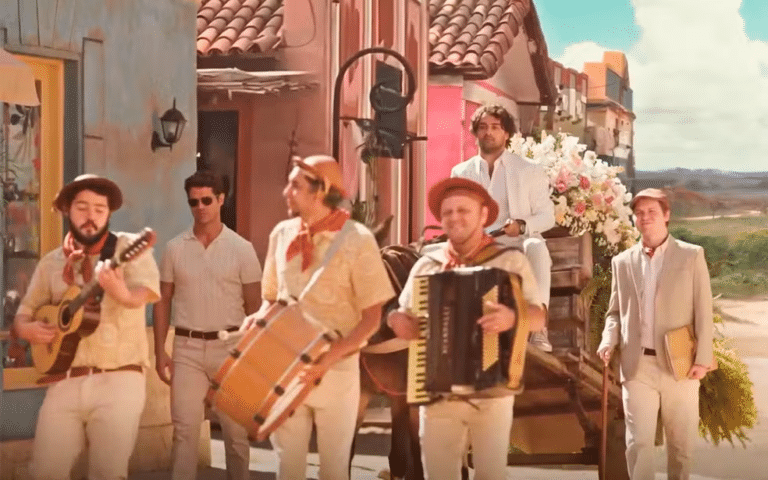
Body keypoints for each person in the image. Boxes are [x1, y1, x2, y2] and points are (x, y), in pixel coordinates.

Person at [388, 177, 546, 480]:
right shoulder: (427, 266)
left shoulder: (509, 261)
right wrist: (397, 321)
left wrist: (513, 318)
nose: (454, 218)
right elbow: (401, 314)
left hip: (492, 391)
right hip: (437, 392)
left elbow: (539, 316)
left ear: (483, 215)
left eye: (464, 210)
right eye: (447, 212)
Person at [249, 155, 394, 480]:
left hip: (337, 372)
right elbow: (271, 299)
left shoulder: (357, 239)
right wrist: (256, 319)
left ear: (320, 191)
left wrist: (331, 356)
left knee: (333, 470)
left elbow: (373, 317)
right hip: (286, 367)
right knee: (288, 468)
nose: (286, 191)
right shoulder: (281, 234)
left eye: (295, 185)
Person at [14, 174, 161, 480]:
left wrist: (121, 293)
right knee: (44, 471)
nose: (91, 216)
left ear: (108, 213)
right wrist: (27, 330)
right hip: (64, 380)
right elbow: (24, 313)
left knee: (108, 473)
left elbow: (146, 293)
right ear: (68, 210)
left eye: (99, 208)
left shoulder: (129, 248)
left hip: (118, 379)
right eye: (82, 207)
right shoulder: (52, 262)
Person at [597, 188, 714, 480]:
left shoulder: (691, 255)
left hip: (681, 365)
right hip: (638, 366)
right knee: (639, 444)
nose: (645, 218)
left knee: (681, 445)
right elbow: (614, 313)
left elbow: (703, 311)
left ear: (666, 216)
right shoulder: (621, 262)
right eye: (639, 213)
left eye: (651, 212)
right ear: (634, 219)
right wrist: (608, 339)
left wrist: (703, 359)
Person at [153, 170, 262, 480]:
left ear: (221, 200)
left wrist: (252, 356)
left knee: (236, 436)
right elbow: (163, 300)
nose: (200, 207)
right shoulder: (175, 248)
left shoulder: (242, 248)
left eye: (206, 200)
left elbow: (255, 306)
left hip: (231, 347)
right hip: (186, 349)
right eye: (193, 202)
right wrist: (160, 351)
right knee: (184, 432)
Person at [451, 104, 555, 352]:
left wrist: (521, 226)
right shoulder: (461, 172)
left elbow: (547, 216)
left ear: (506, 134)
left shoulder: (528, 170)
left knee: (537, 246)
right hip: (478, 244)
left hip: (516, 241)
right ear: (475, 133)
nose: (489, 132)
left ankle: (538, 326)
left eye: (496, 127)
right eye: (483, 127)